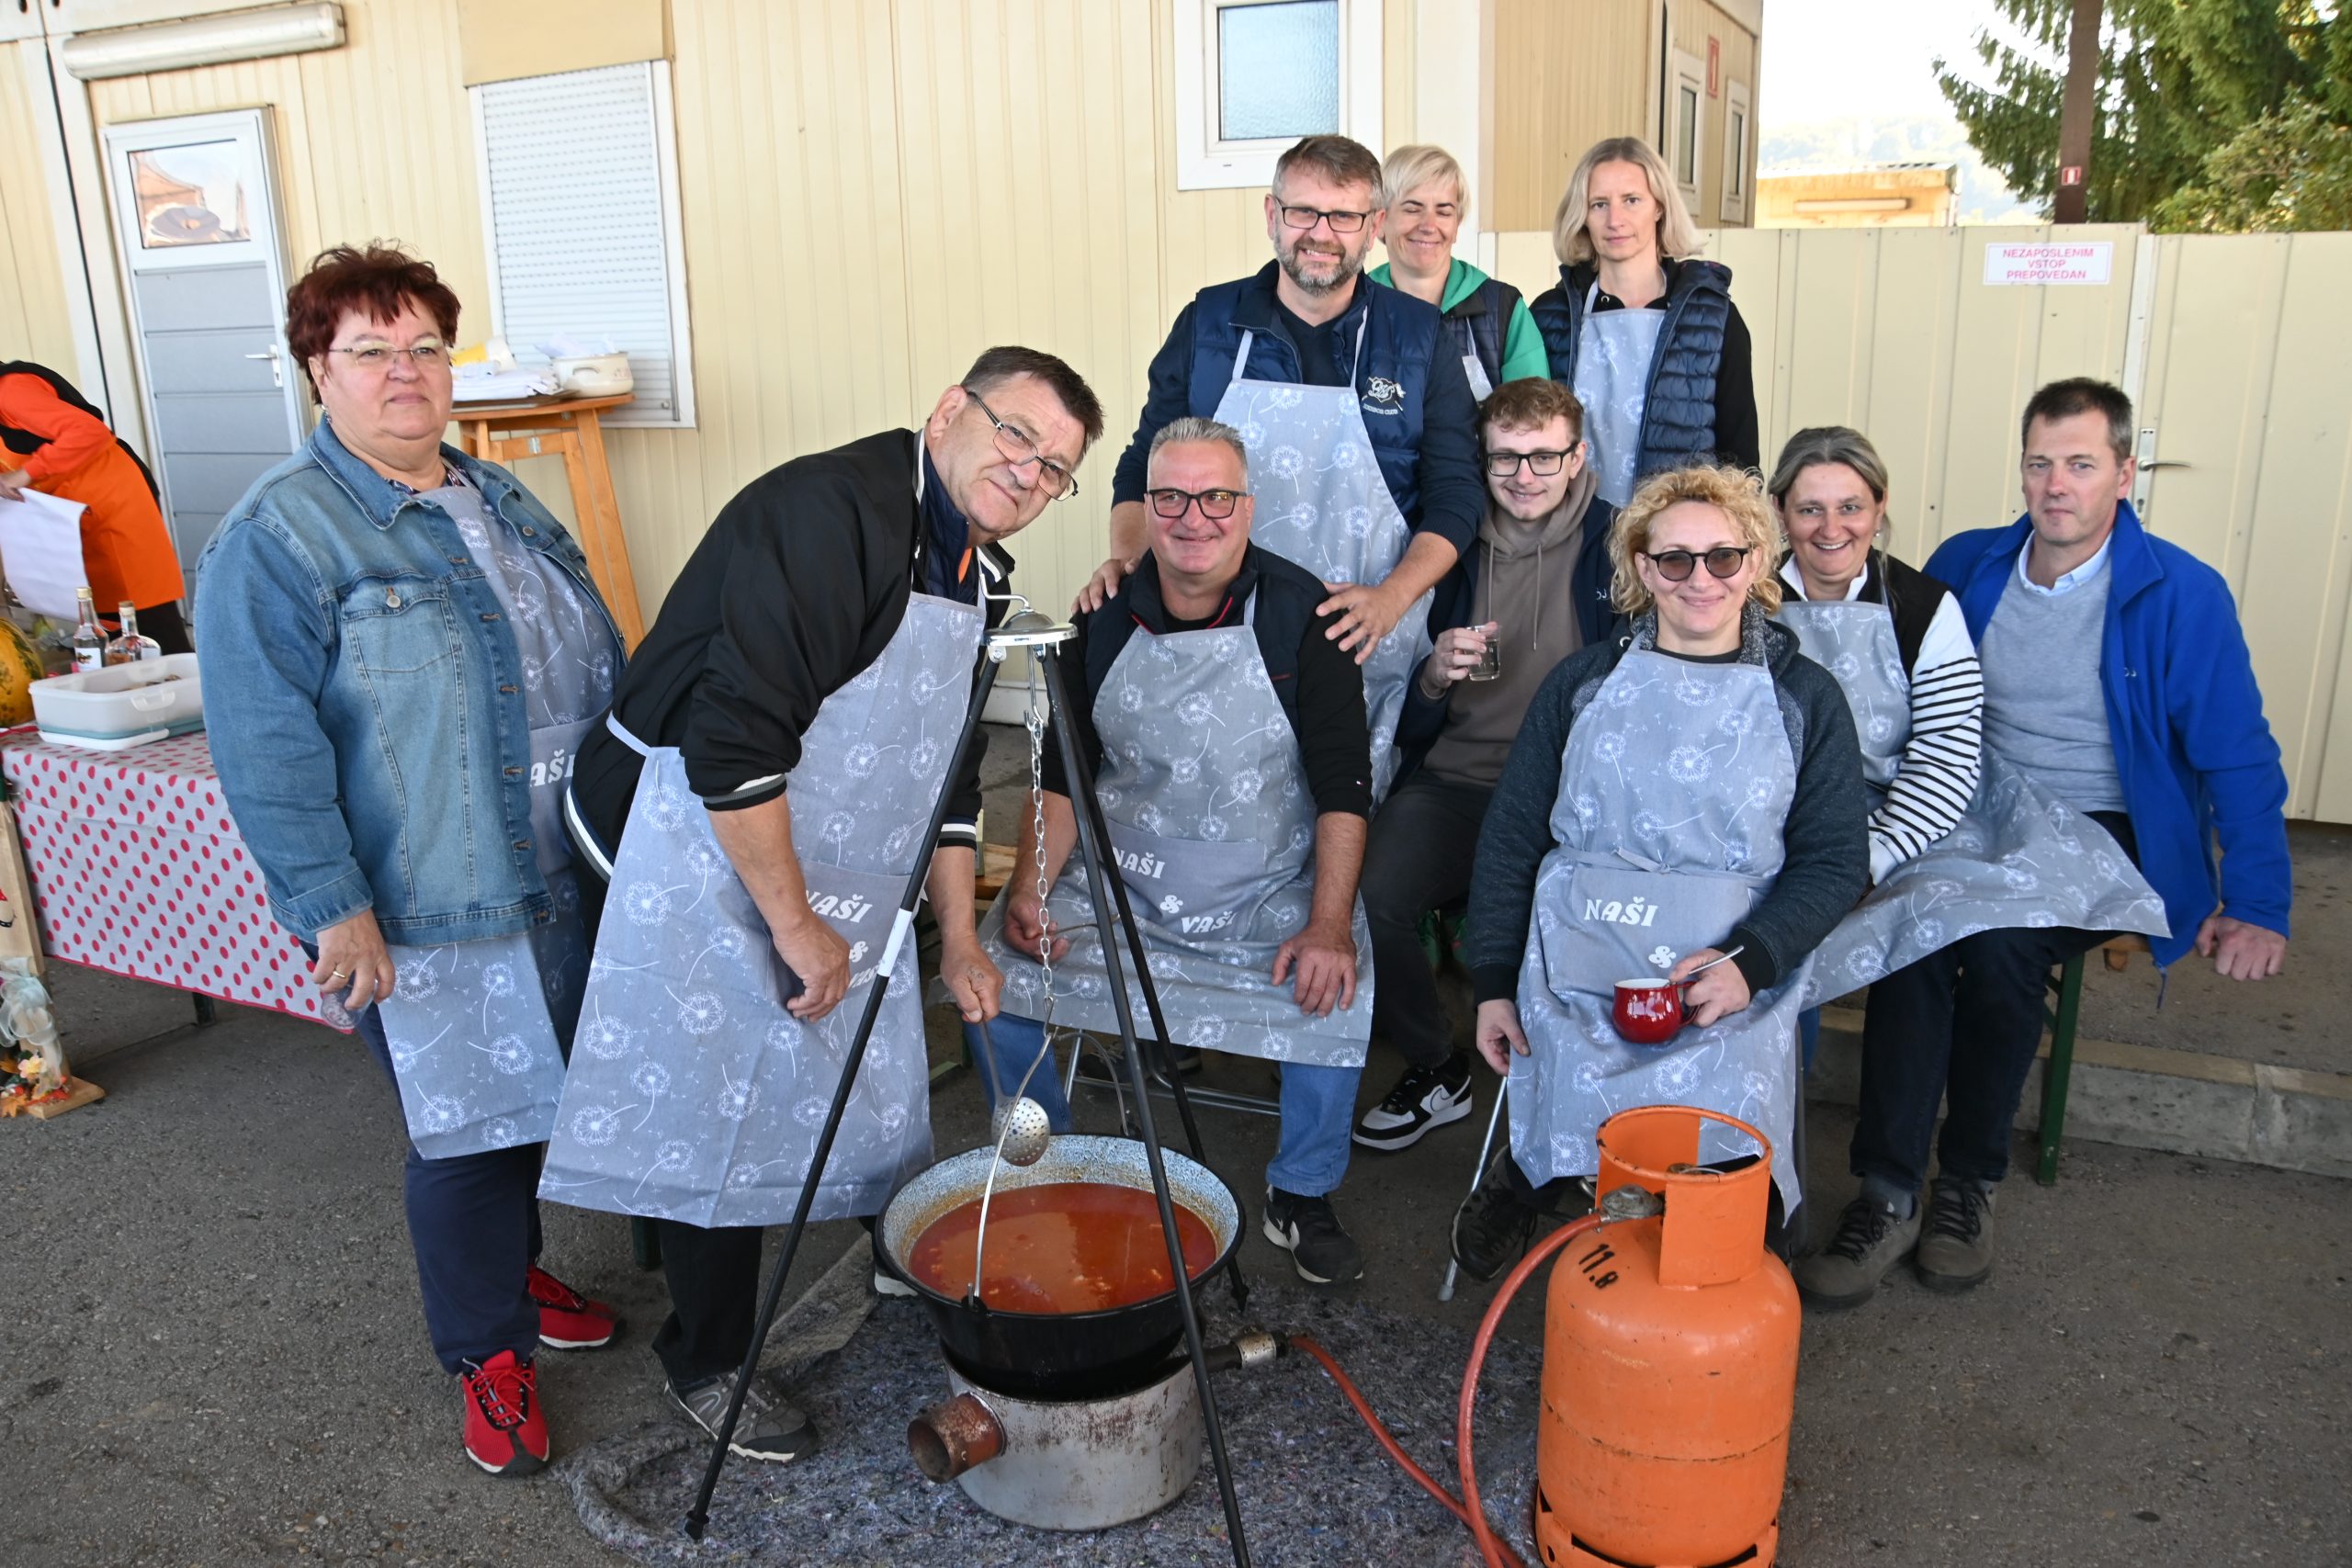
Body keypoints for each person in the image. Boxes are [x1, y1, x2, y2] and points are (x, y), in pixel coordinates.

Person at [545, 346, 1103, 1463]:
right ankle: (705, 1359)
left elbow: (942, 773)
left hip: (836, 839)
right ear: (951, 410)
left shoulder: (976, 573)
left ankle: (898, 1246)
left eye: (1055, 472)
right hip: (683, 833)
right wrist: (798, 927)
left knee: (860, 1052)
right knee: (721, 1091)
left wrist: (954, 936)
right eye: (1015, 437)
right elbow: (735, 743)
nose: (1028, 476)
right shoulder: (824, 515)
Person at [198, 244, 627, 1478]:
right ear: (316, 371)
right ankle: (485, 1351)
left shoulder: (500, 494)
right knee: (468, 1133)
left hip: (562, 863)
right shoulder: (277, 535)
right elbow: (266, 746)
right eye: (370, 351)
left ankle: (505, 1272)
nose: (404, 372)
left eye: (426, 346)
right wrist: (336, 911)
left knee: (542, 1105)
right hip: (428, 896)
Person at [1795, 379, 2290, 1307]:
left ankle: (1968, 1185)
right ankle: (1886, 1191)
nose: (2054, 484)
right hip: (1974, 808)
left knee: (1998, 947)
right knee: (1918, 929)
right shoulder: (1969, 564)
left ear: (2123, 472)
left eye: (2079, 463)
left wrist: (2258, 903)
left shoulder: (2179, 592)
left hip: (2102, 825)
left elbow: (2239, 756)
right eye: (2038, 463)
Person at [978, 417, 1377, 1283]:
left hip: (1261, 878)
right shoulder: (1102, 614)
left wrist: (1329, 922)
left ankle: (1300, 1191)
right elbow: (1063, 776)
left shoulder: (1306, 615)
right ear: (1146, 508)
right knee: (990, 974)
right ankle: (1045, 1163)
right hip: (1127, 879)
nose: (1194, 517)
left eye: (1216, 497)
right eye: (1171, 497)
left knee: (1338, 984)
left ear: (1247, 506)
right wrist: (1028, 889)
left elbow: (1346, 784)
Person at [1450, 464, 1868, 1281]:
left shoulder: (1806, 698)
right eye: (1675, 559)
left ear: (1756, 563)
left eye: (1723, 557)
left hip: (1723, 967)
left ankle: (1736, 1207)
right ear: (1642, 568)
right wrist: (1494, 979)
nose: (1700, 579)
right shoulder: (1582, 684)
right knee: (1562, 1053)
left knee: (1723, 1113)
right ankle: (1531, 1169)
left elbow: (1834, 859)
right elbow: (1511, 838)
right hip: (1579, 955)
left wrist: (1752, 961)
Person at [1084, 133, 1484, 801]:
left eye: (1343, 217)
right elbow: (1142, 464)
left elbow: (1456, 495)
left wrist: (1391, 599)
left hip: (1361, 630)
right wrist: (1131, 560)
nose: (1320, 234)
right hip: (1217, 625)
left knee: (1343, 812)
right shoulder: (1211, 322)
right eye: (1302, 212)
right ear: (1272, 216)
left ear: (1374, 227)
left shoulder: (1417, 337)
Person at [1351, 378, 1617, 1152]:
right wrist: (1435, 673)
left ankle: (1580, 1100)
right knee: (1368, 893)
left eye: (1543, 456)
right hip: (1459, 782)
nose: (1524, 475)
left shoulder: (1621, 544)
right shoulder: (1451, 545)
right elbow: (1411, 710)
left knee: (1593, 928)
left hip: (1573, 801)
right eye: (1505, 458)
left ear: (1578, 457)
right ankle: (1439, 1066)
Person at [1527, 137, 1759, 509]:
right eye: (1599, 204)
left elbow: (1740, 459)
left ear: (1659, 208)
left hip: (1675, 546)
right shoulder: (1549, 316)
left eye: (1631, 200)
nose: (1614, 220)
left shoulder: (1713, 318)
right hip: (1570, 538)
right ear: (1582, 215)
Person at [1, 359, 188, 652]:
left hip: (111, 503)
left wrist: (22, 475)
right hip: (67, 517)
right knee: (102, 621)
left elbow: (87, 431)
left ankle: (180, 685)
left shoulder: (11, 390)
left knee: (143, 616)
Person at [1366, 144, 1549, 400]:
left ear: (1457, 224)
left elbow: (1535, 421)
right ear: (1380, 221)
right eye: (1412, 209)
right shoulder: (1356, 307)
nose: (1428, 226)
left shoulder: (1503, 309)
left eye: (1443, 211)